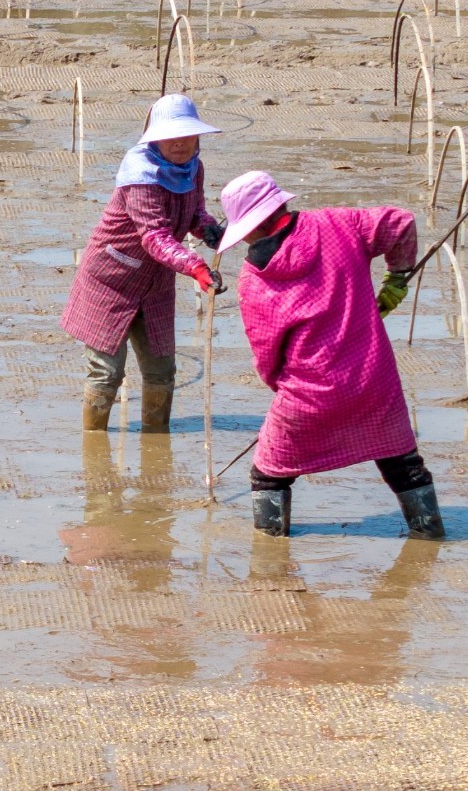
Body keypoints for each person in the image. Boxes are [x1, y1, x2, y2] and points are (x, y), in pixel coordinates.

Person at [212, 168, 443, 542]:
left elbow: (267, 352)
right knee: (403, 463)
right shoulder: (339, 225)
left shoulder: (254, 280)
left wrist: (282, 389)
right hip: (373, 380)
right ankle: (430, 533)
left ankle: (271, 558)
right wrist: (397, 278)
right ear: (280, 204)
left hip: (309, 390)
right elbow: (400, 222)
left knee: (268, 475)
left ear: (251, 228)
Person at [61, 94, 223, 433]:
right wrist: (195, 268)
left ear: (197, 138)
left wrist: (213, 232)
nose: (179, 143)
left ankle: (156, 438)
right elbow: (154, 235)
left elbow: (194, 213)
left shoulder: (193, 168)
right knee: (107, 372)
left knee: (162, 370)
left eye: (187, 136)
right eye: (170, 136)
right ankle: (94, 445)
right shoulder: (141, 174)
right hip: (111, 279)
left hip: (156, 282)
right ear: (154, 137)